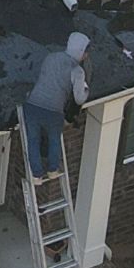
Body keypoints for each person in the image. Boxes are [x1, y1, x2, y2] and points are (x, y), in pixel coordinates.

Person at [23, 31, 92, 180]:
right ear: (80, 51)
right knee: (54, 139)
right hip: (53, 111)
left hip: (32, 105)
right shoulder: (77, 71)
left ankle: (36, 176)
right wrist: (86, 90)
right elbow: (79, 99)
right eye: (85, 53)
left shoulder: (51, 57)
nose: (85, 56)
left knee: (33, 140)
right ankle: (52, 170)